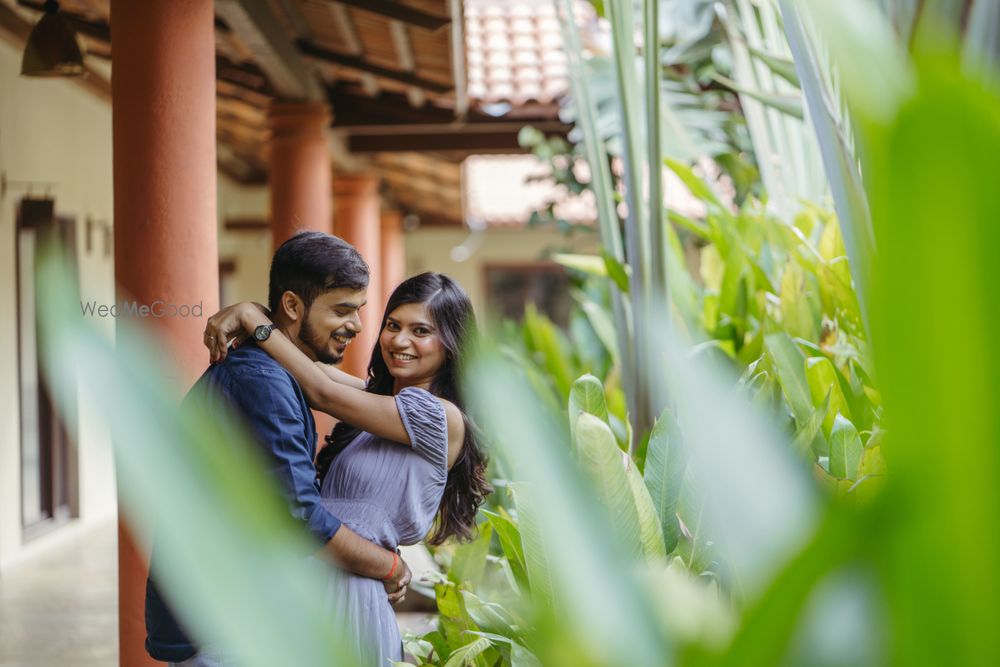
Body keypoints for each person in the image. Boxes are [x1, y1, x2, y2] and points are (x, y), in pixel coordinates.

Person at [145, 232, 412, 666]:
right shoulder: (263, 382)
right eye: (342, 310)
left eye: (360, 310)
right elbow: (302, 521)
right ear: (292, 306)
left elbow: (344, 392)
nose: (358, 326)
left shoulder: (275, 372)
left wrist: (253, 315)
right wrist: (390, 568)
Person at [203, 271, 491, 665]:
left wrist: (253, 320)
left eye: (421, 331)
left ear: (452, 343)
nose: (400, 340)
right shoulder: (377, 405)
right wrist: (253, 311)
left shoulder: (441, 418)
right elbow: (315, 375)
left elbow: (322, 391)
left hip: (349, 593)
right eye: (393, 325)